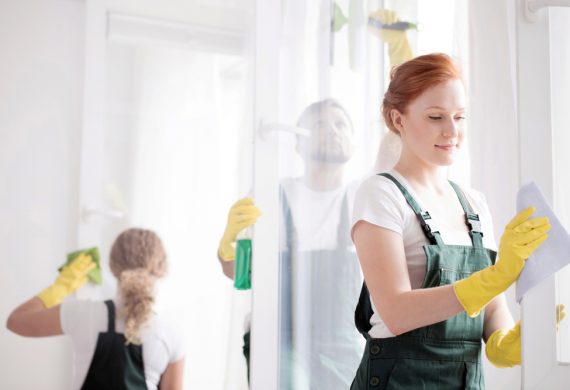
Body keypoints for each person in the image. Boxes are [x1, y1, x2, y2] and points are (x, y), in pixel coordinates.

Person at [350, 53, 551, 389]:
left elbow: (490, 314)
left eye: (459, 117)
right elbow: (396, 312)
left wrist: (511, 341)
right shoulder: (381, 194)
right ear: (398, 119)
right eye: (435, 117)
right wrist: (499, 275)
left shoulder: (473, 203)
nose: (452, 131)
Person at [218, 99, 364, 389]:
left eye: (341, 124)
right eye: (321, 124)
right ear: (298, 144)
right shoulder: (270, 195)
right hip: (279, 340)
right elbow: (239, 273)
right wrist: (228, 244)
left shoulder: (362, 195)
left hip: (343, 345)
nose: (333, 131)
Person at [7, 228, 185, 390]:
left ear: (112, 265)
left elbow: (16, 321)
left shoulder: (83, 314)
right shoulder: (169, 334)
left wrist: (61, 287)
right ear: (161, 269)